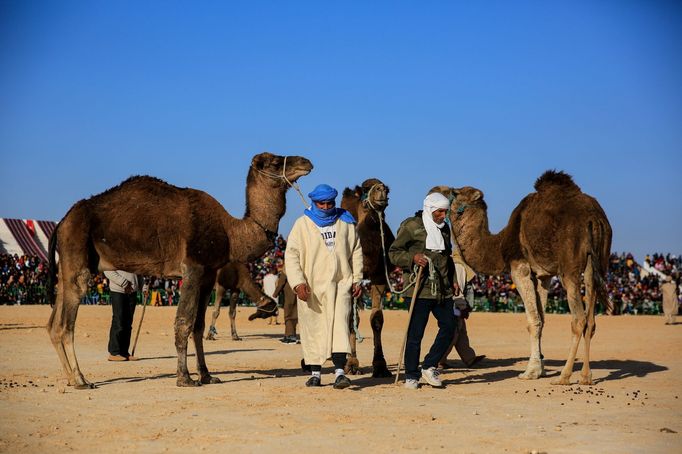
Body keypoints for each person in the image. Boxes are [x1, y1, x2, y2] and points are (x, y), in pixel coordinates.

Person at [285, 184, 363, 389]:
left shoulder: (345, 222)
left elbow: (356, 250)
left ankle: (339, 374)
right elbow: (291, 255)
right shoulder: (302, 224)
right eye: (322, 203)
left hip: (341, 284)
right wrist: (298, 283)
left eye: (330, 203)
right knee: (314, 329)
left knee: (340, 327)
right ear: (314, 202)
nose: (327, 206)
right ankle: (315, 374)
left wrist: (357, 279)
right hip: (312, 288)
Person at [389, 192, 457, 389]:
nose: (443, 216)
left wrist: (453, 280)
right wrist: (412, 257)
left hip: (442, 289)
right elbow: (394, 253)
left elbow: (447, 257)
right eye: (439, 212)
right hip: (419, 288)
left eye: (445, 212)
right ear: (429, 209)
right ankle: (411, 375)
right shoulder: (411, 226)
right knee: (415, 335)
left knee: (450, 326)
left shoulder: (445, 229)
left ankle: (429, 366)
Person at [104, 270, 141, 361]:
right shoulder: (113, 255)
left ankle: (124, 352)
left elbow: (139, 272)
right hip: (118, 290)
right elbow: (107, 271)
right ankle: (114, 352)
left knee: (128, 323)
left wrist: (143, 285)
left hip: (132, 291)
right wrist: (124, 282)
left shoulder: (135, 255)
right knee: (118, 320)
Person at [273, 267, 300, 344]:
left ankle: (289, 336)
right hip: (297, 296)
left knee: (288, 316)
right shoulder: (298, 270)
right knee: (295, 316)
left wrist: (275, 293)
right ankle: (292, 335)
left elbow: (281, 283)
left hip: (289, 296)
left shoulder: (286, 271)